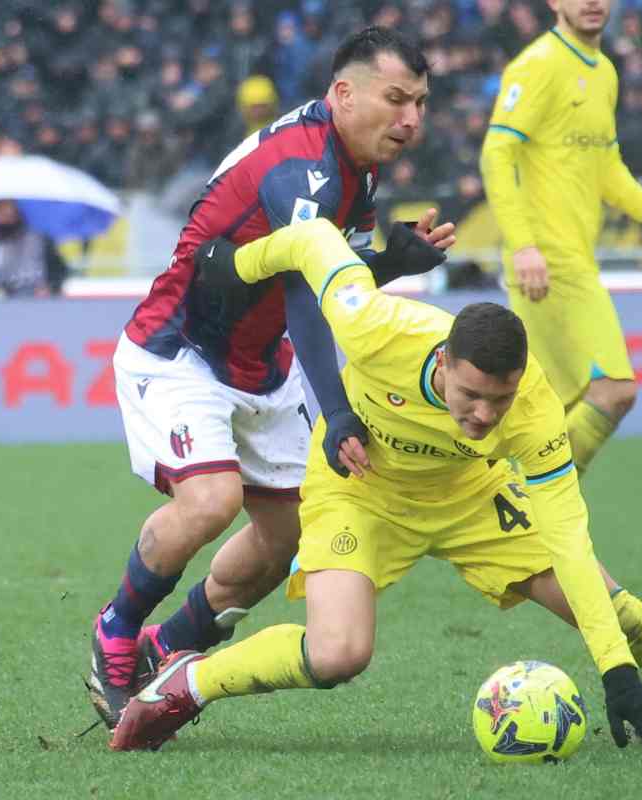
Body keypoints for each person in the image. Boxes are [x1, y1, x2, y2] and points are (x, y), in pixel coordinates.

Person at [107, 218, 642, 754]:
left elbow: (569, 539)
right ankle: (188, 682)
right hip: (361, 490)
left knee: (618, 612)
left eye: (497, 401)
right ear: (442, 364)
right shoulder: (378, 326)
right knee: (338, 654)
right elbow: (313, 242)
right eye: (472, 396)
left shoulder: (529, 412)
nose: (483, 413)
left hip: (472, 499)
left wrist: (617, 675)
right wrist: (239, 265)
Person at [86, 27, 456, 731]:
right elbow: (308, 294)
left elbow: (336, 276)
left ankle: (172, 644)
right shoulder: (303, 168)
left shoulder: (355, 164)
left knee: (286, 533)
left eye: (421, 103)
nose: (412, 119)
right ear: (344, 94)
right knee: (211, 499)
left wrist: (391, 262)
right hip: (179, 349)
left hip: (259, 364)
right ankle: (119, 627)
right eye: (397, 99)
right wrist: (339, 410)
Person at [479, 0, 642, 473]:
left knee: (553, 409)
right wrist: (524, 244)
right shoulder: (538, 64)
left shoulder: (605, 72)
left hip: (573, 258)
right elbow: (496, 154)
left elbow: (606, 163)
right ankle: (524, 502)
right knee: (614, 390)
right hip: (546, 260)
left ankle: (519, 516)